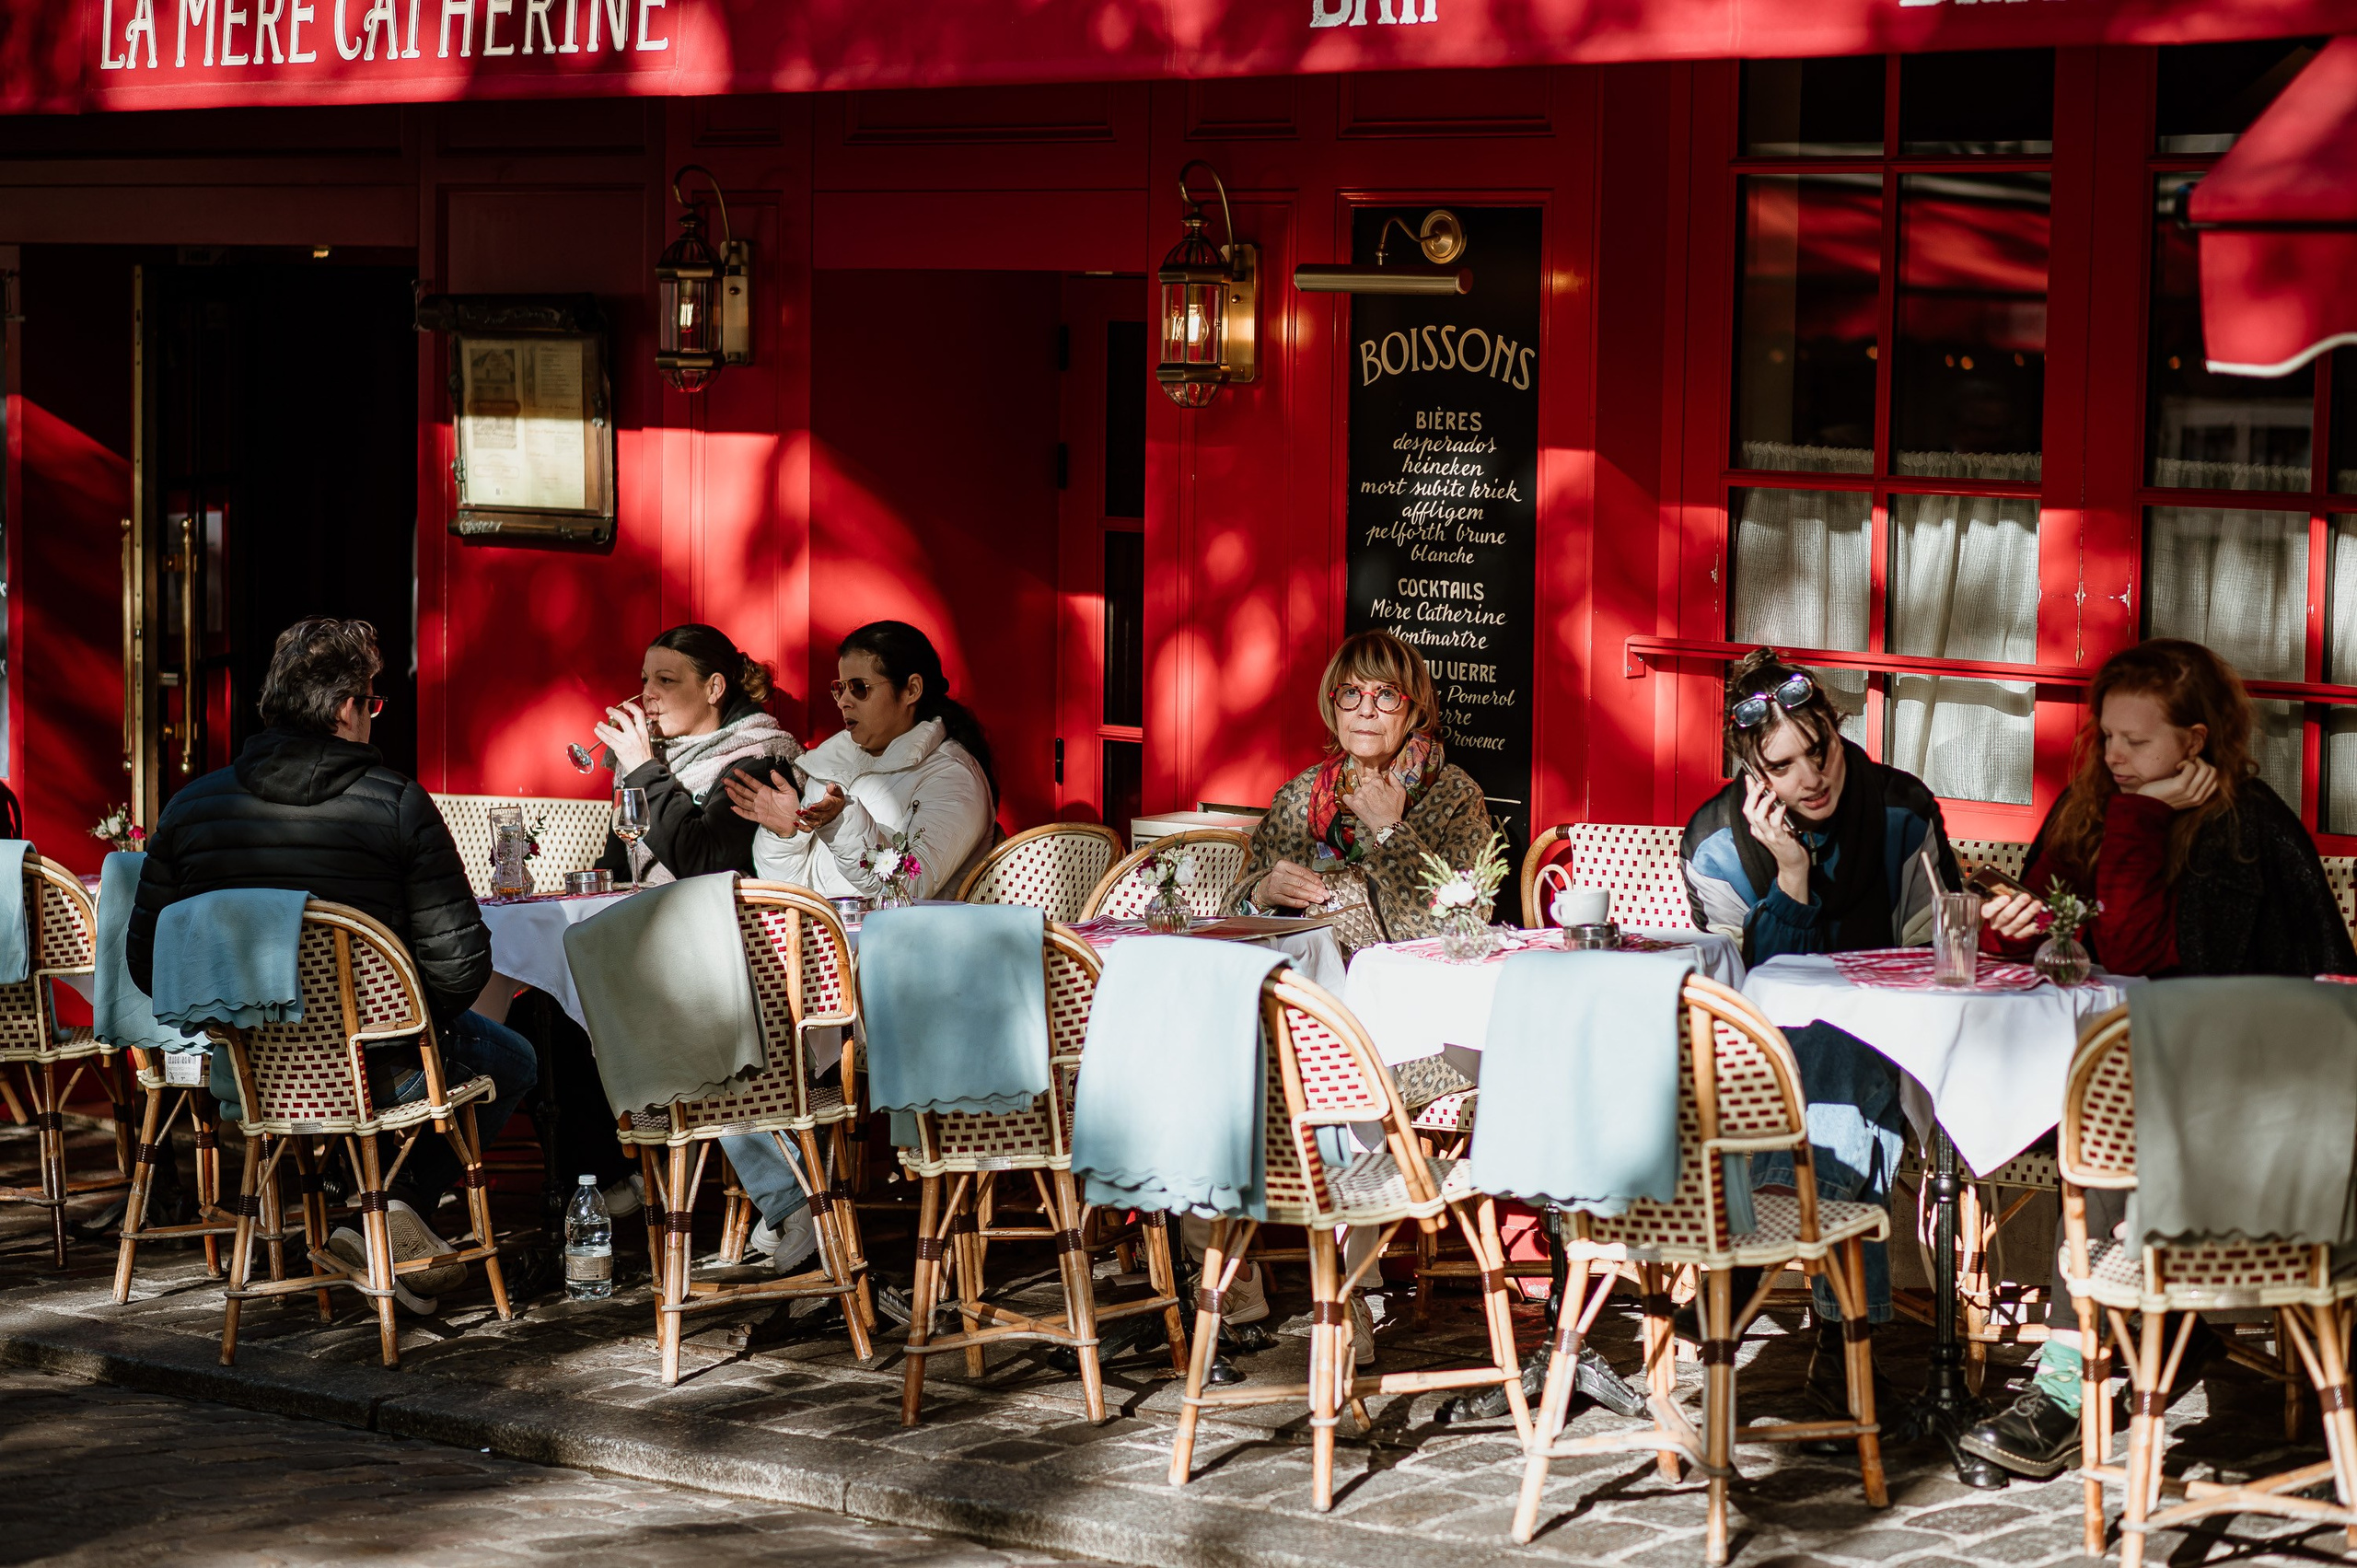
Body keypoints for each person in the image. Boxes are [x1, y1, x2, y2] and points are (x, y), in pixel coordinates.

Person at [1959, 639, 2357, 1481]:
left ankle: (2065, 1391)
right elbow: (2053, 927)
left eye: (2136, 742)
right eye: (2106, 737)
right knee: (2102, 1113)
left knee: (2105, 1131)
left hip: (2252, 1104)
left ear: (2196, 740)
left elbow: (2139, 950)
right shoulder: (2093, 804)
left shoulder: (2244, 827)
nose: (2114, 756)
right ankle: (2163, 1335)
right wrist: (2017, 925)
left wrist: (2143, 817)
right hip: (2128, 1078)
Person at [125, 617, 534, 1317]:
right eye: (371, 703)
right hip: (377, 1061)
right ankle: (390, 1206)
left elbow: (148, 960)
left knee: (439, 1052)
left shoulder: (191, 807)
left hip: (250, 1070)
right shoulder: (397, 802)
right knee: (518, 1058)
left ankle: (363, 1218)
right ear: (348, 707)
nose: (371, 717)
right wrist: (403, 1026)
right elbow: (463, 960)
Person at [1677, 647, 2012, 1442]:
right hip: (1757, 1070)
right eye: (1784, 765)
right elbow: (1734, 991)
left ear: (1835, 726)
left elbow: (1933, 954)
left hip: (1896, 1050)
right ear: (1754, 773)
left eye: (1818, 747)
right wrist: (1790, 876)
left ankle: (1753, 1262)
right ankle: (1840, 1337)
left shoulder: (1899, 808)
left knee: (1845, 1054)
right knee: (1819, 1061)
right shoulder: (1717, 842)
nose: (1812, 777)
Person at [722, 621, 998, 1296]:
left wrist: (842, 821)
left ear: (911, 690)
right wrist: (787, 831)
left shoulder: (951, 774)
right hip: (828, 961)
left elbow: (907, 879)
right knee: (711, 1015)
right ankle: (797, 1202)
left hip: (915, 984)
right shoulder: (828, 763)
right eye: (838, 686)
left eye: (861, 686)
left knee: (741, 1025)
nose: (843, 700)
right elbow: (789, 884)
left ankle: (799, 1204)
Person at [1225, 629, 1495, 948]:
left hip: (1404, 986)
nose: (1365, 710)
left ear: (1413, 710)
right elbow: (1228, 917)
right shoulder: (1297, 796)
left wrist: (1389, 830)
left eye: (1386, 694)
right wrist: (1262, 893)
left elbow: (1466, 928)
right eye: (1351, 692)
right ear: (1335, 706)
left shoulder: (1455, 796)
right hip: (1307, 987)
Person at [592, 623, 804, 886]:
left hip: (719, 919)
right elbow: (616, 864)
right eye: (646, 679)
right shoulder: (650, 755)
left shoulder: (759, 759)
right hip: (642, 915)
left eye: (666, 680)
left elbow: (704, 863)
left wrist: (644, 769)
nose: (647, 695)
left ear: (714, 688)